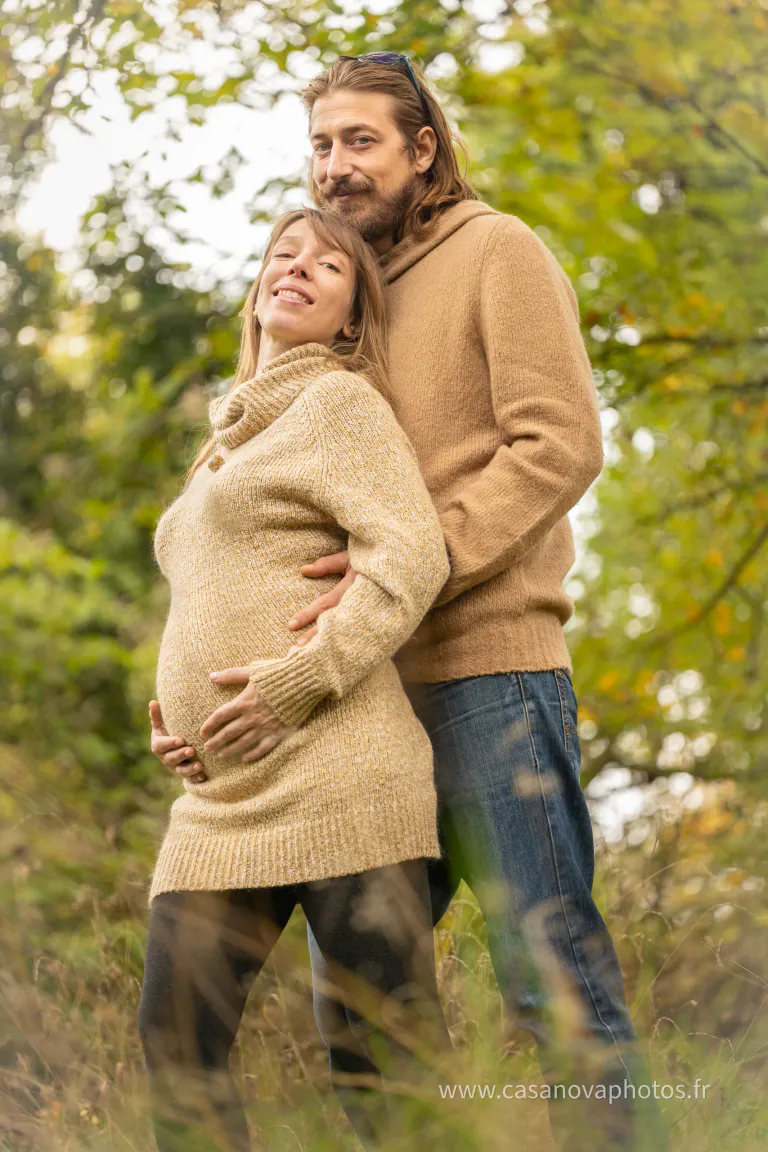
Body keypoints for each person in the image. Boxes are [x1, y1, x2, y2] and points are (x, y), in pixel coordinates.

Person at [284, 55, 667, 1152]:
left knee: (555, 992)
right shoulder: (335, 294)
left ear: (423, 148)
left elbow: (560, 441)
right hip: (359, 702)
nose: (336, 166)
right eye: (321, 144)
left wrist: (410, 563)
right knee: (365, 1016)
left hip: (489, 676)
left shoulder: (498, 250)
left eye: (361, 140)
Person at [139, 205, 454, 1152]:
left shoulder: (338, 405)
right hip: (220, 800)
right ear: (257, 290)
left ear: (353, 317)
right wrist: (181, 724)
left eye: (329, 265)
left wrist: (297, 681)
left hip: (346, 772)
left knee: (383, 1072)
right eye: (284, 254)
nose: (300, 267)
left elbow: (411, 555)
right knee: (175, 1046)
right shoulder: (223, 447)